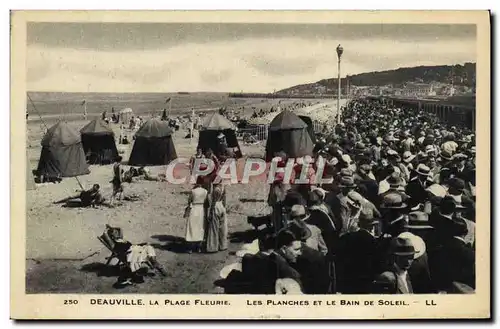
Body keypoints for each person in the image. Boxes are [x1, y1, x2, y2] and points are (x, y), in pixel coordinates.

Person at [184, 179, 209, 253]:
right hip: (201, 209)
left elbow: (189, 201)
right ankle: (199, 247)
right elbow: (206, 202)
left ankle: (190, 248)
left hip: (194, 209)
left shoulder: (193, 191)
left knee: (192, 227)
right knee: (200, 227)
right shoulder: (205, 191)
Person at [205, 184, 228, 253]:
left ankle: (213, 247)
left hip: (216, 206)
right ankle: (223, 245)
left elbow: (213, 202)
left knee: (214, 228)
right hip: (222, 206)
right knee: (222, 228)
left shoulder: (215, 190)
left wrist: (210, 212)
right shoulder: (223, 188)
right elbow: (224, 199)